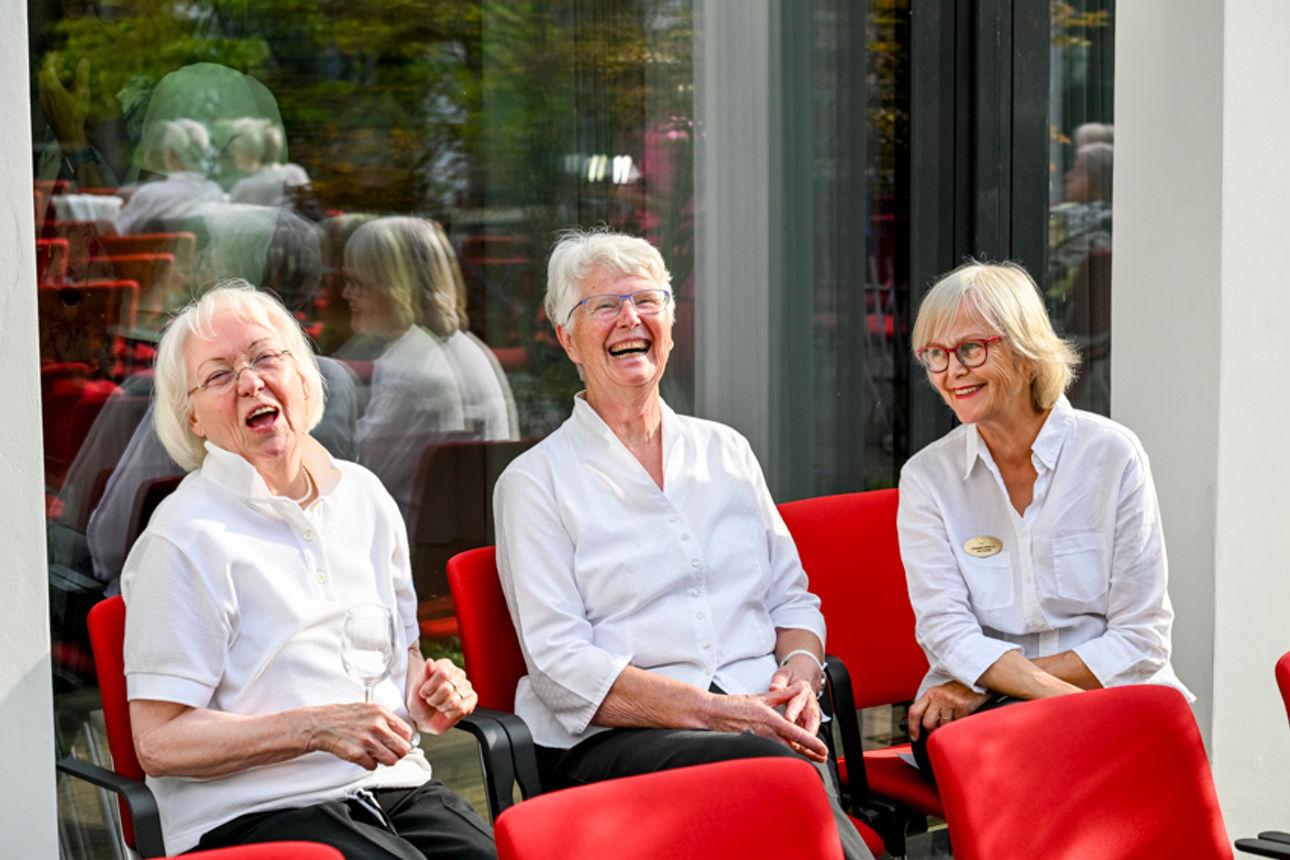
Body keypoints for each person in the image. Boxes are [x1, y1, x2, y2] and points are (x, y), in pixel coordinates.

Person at [492, 228, 874, 860]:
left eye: (648, 301)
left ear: (669, 322)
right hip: (615, 742)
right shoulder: (534, 483)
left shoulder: (726, 449)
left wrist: (802, 677)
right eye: (604, 306)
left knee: (779, 758)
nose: (630, 319)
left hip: (766, 718)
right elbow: (562, 669)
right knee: (771, 766)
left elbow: (793, 599)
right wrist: (720, 714)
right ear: (566, 338)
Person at [119, 281, 494, 859]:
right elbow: (159, 742)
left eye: (266, 357)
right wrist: (314, 729)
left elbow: (401, 660)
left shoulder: (365, 496)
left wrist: (427, 693)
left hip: (393, 791)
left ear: (302, 375)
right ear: (191, 416)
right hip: (252, 816)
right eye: (219, 375)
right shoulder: (184, 536)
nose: (250, 381)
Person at [897, 260, 1190, 781]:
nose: (951, 372)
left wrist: (988, 684)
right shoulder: (927, 478)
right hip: (979, 712)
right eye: (935, 355)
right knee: (1024, 756)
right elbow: (946, 632)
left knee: (1056, 759)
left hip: (1094, 690)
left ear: (1027, 352)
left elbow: (1142, 637)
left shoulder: (1111, 455)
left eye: (970, 349)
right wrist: (1053, 696)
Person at [340, 218, 475, 517]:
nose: (347, 294)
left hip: (412, 542)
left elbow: (359, 475)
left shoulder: (412, 369)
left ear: (396, 286)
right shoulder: (458, 347)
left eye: (358, 282)